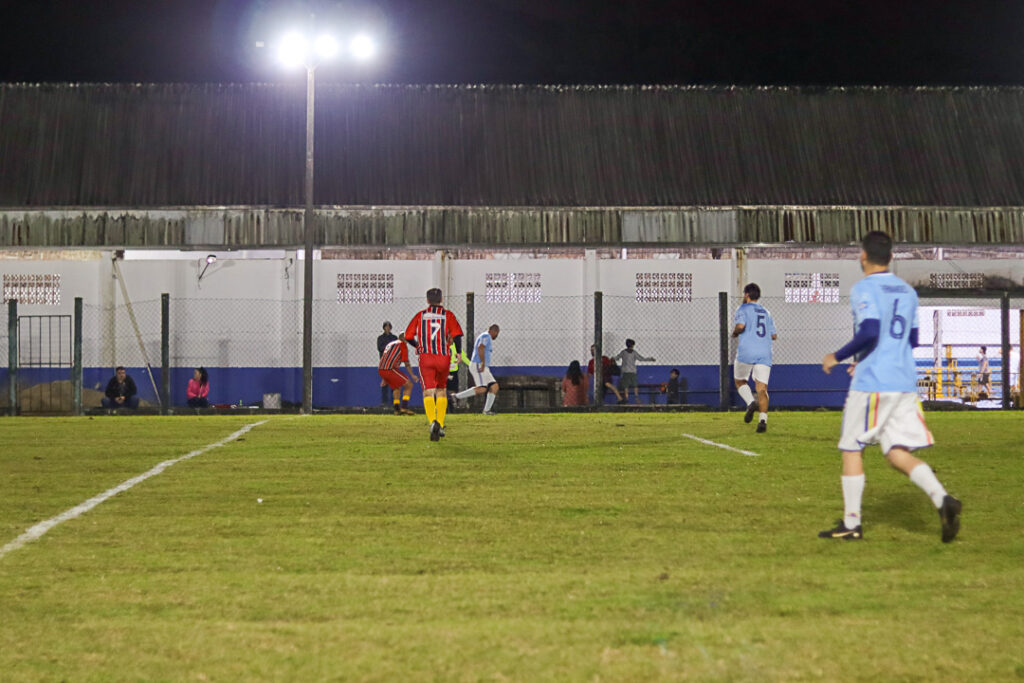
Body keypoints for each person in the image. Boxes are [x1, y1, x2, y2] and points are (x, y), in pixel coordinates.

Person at [820, 230, 961, 543]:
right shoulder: (908, 292)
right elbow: (912, 340)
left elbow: (870, 329)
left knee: (851, 447)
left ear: (863, 256)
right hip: (904, 383)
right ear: (892, 257)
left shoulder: (863, 289)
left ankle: (851, 524)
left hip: (874, 383)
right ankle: (943, 500)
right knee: (897, 452)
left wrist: (837, 356)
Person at [405, 288, 464, 441]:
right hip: (443, 357)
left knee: (428, 392)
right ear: (441, 299)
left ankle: (432, 422)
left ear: (427, 300)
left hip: (426, 358)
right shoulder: (448, 315)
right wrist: (458, 352)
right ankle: (441, 424)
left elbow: (408, 336)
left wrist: (418, 346)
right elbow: (457, 335)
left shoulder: (420, 316)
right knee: (441, 390)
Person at [732, 283, 777, 433]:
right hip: (765, 352)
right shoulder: (766, 312)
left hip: (747, 351)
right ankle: (763, 420)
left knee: (740, 381)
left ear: (746, 295)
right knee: (762, 389)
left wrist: (735, 333)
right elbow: (774, 335)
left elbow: (740, 326)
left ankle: (751, 402)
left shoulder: (742, 309)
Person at [454, 325, 501, 414]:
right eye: (496, 333)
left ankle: (486, 410)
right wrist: (482, 363)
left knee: (494, 386)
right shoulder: (486, 336)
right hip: (478, 364)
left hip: (484, 367)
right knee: (482, 388)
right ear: (493, 331)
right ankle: (456, 397)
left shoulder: (486, 337)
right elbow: (481, 347)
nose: (496, 335)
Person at [378, 334, 418, 415]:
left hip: (382, 369)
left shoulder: (391, 344)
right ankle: (404, 407)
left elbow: (386, 358)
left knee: (397, 387)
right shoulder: (402, 345)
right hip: (390, 369)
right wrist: (412, 375)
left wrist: (384, 377)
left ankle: (397, 409)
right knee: (409, 385)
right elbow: (406, 362)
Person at [615, 338, 655, 403]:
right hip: (631, 371)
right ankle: (634, 397)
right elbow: (641, 358)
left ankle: (628, 398)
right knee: (633, 385)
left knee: (627, 386)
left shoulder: (624, 352)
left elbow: (617, 357)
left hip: (626, 371)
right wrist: (649, 359)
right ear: (632, 345)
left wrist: (613, 358)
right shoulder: (632, 353)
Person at [377, 321, 398, 405]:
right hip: (384, 363)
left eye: (389, 326)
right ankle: (384, 402)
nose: (387, 328)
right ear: (384, 328)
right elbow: (380, 348)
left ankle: (394, 401)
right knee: (384, 382)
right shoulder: (380, 338)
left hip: (393, 362)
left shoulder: (394, 337)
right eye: (386, 326)